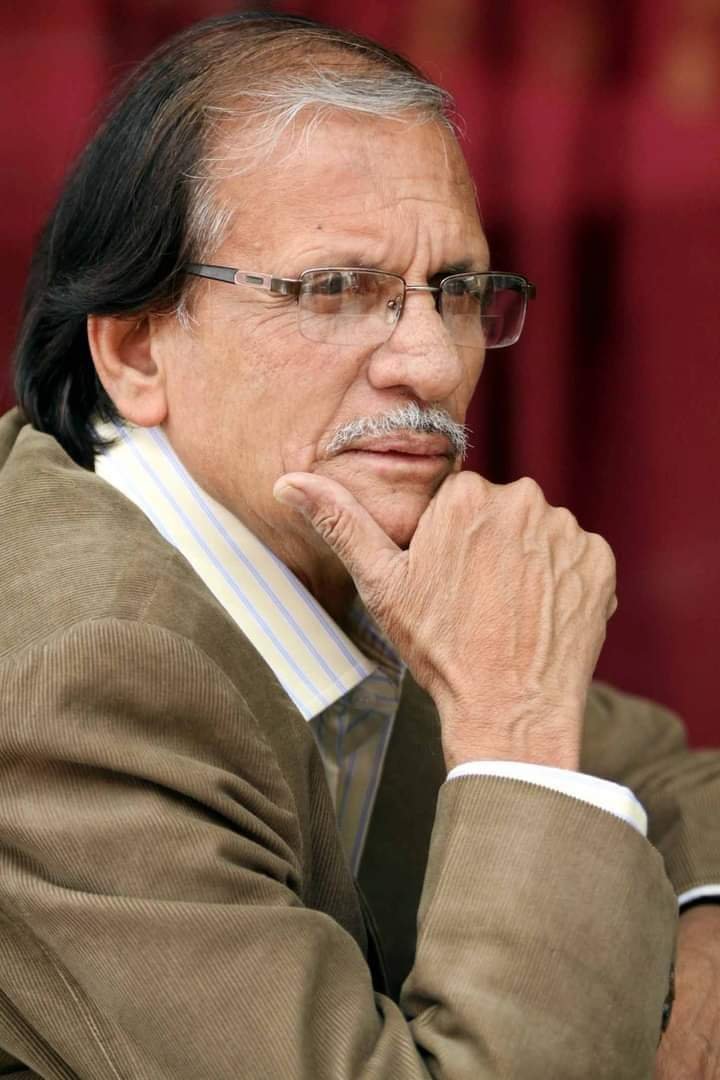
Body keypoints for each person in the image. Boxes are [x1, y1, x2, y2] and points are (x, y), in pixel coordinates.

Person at [0, 12, 717, 1079]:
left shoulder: (318, 534)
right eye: (335, 290)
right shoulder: (76, 679)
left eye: (458, 292)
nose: (432, 363)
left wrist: (700, 967)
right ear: (138, 350)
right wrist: (515, 726)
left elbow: (671, 776)